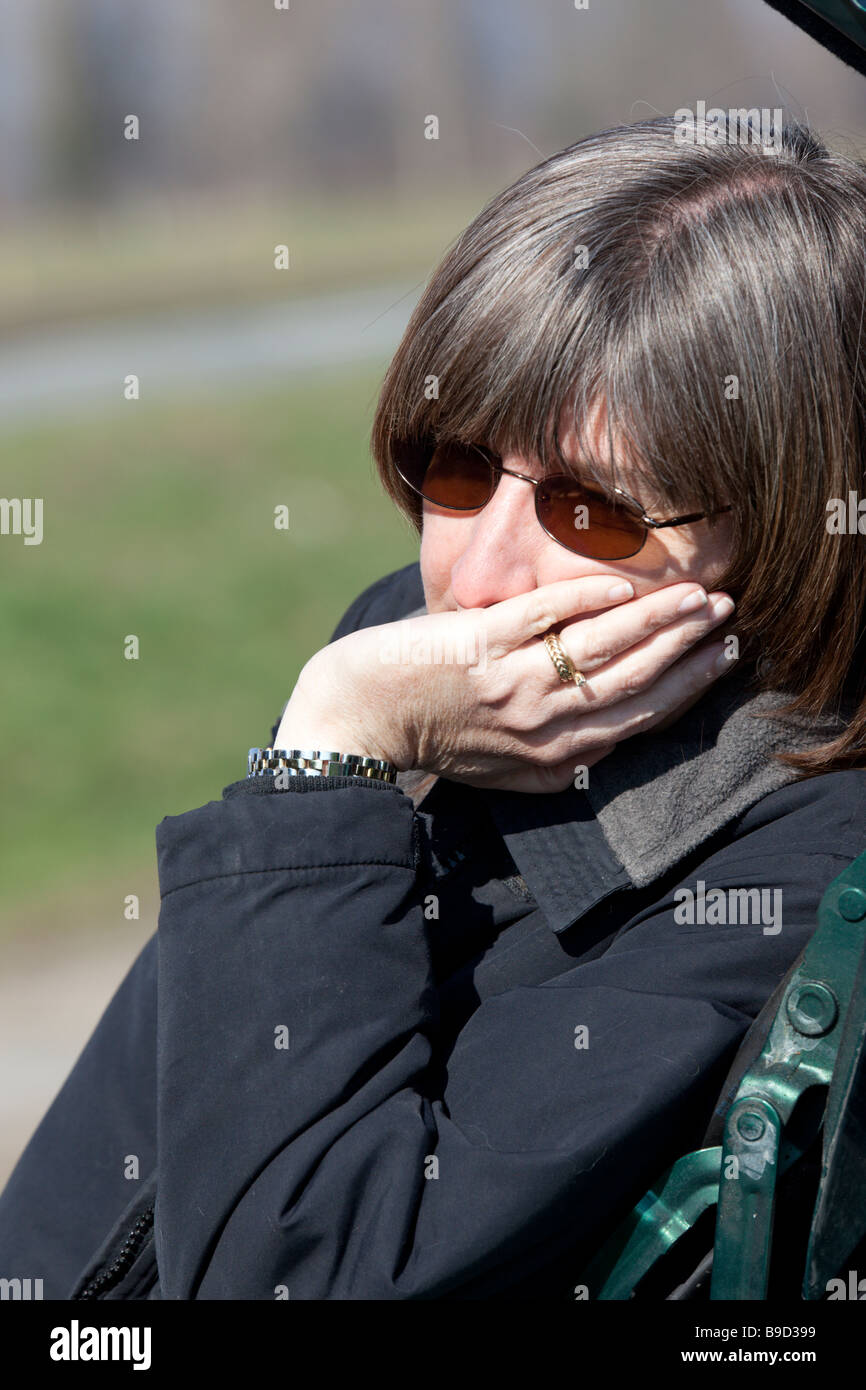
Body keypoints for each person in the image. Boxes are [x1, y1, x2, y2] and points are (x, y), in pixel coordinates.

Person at [2, 112, 866, 1301]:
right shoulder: (402, 668)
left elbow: (295, 1280)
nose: (474, 576)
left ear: (775, 533)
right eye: (454, 467)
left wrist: (330, 760)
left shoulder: (789, 883)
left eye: (591, 510)